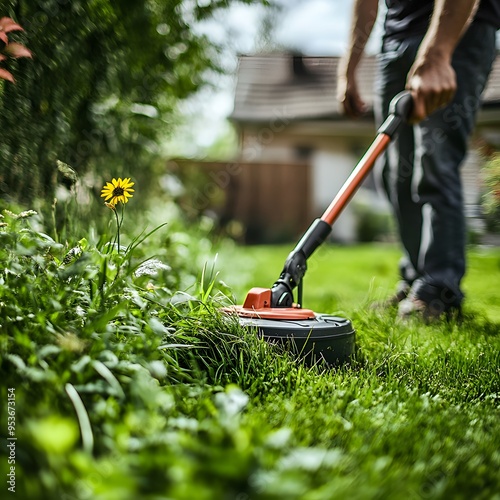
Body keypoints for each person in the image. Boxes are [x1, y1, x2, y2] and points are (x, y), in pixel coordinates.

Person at [337, 0, 500, 321]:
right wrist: (350, 66)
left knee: (435, 160)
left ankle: (440, 288)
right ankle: (416, 279)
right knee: (394, 170)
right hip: (396, 34)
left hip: (461, 27)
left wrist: (437, 52)